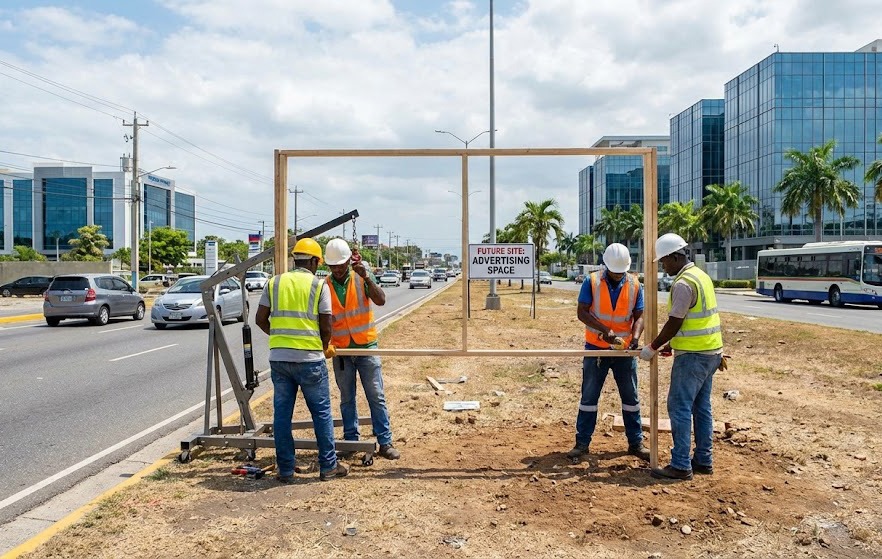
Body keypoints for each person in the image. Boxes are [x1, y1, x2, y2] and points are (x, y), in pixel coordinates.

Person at [255, 238, 349, 483]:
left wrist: (279, 336)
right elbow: (326, 324)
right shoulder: (319, 286)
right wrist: (324, 345)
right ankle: (328, 466)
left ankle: (285, 470)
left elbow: (260, 319)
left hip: (279, 359)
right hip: (309, 359)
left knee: (282, 416)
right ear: (316, 261)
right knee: (321, 414)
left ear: (295, 259)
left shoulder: (274, 282)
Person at [640, 233, 724, 481]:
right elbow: (696, 320)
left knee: (679, 407)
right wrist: (672, 345)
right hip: (710, 352)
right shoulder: (701, 276)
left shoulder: (683, 283)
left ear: (676, 257)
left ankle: (680, 465)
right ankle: (703, 460)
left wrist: (653, 346)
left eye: (664, 261)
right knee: (701, 407)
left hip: (694, 356)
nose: (663, 266)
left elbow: (675, 321)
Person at [567, 243, 650, 462]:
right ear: (605, 266)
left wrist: (635, 338)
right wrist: (605, 331)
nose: (617, 275)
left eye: (620, 272)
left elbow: (640, 315)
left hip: (624, 353)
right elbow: (582, 312)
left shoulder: (634, 284)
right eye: (614, 271)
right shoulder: (591, 282)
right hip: (596, 349)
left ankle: (636, 443)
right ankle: (582, 443)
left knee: (630, 398)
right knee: (589, 397)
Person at [324, 238, 400, 460]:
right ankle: (351, 442)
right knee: (347, 398)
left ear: (349, 261)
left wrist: (366, 276)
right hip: (341, 352)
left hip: (366, 347)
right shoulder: (325, 286)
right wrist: (325, 343)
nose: (337, 269)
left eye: (341, 264)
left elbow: (381, 300)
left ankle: (384, 442)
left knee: (376, 396)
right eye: (333, 265)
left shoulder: (361, 277)